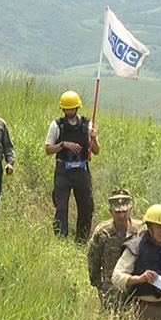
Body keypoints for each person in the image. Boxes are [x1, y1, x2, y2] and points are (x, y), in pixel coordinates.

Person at [45, 90, 100, 242]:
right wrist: (63, 145)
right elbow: (48, 149)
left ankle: (81, 240)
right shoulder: (57, 125)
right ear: (62, 109)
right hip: (63, 170)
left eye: (72, 108)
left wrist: (94, 139)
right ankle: (61, 239)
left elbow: (96, 151)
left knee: (86, 206)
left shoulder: (88, 125)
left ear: (77, 108)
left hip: (82, 170)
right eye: (66, 109)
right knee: (61, 206)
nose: (69, 111)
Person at [87, 189, 143, 311]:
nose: (122, 216)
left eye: (124, 211)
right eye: (117, 212)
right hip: (111, 288)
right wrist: (99, 285)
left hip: (136, 286)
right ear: (111, 212)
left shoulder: (141, 231)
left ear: (130, 210)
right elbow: (93, 259)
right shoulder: (103, 232)